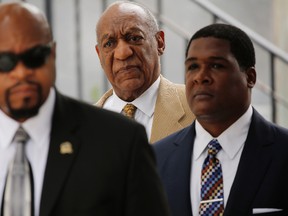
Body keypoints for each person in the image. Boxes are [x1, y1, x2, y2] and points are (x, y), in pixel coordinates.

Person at [0, 2, 171, 216]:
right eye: (5, 62)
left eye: (34, 57)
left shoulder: (121, 139)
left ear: (52, 55)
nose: (22, 73)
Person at [153, 23, 288, 215]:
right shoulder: (155, 160)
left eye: (216, 65)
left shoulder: (283, 151)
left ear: (250, 77)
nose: (200, 77)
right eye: (193, 66)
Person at [95, 1, 194, 143]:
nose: (123, 53)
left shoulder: (198, 108)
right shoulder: (80, 125)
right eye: (109, 44)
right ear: (99, 55)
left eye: (135, 38)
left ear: (160, 42)